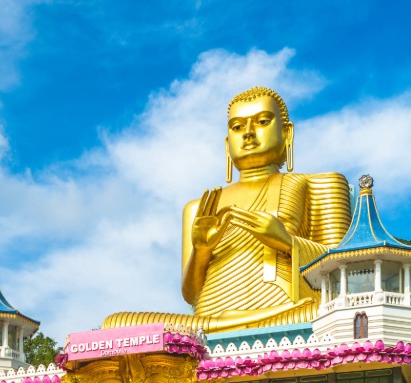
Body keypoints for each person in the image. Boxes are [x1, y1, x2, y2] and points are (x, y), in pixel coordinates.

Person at [104, 87, 351, 333]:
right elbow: (191, 294)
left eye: (262, 121)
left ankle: (227, 327)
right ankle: (225, 326)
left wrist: (287, 242)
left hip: (287, 312)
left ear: (287, 132)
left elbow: (345, 274)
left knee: (333, 309)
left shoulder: (319, 184)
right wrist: (201, 250)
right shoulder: (199, 207)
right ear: (227, 143)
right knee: (117, 323)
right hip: (209, 318)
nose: (248, 133)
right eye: (237, 127)